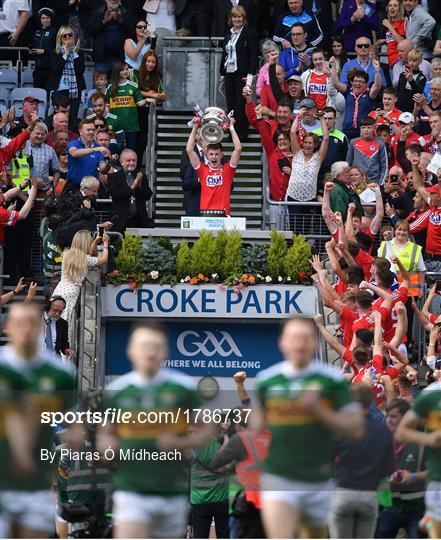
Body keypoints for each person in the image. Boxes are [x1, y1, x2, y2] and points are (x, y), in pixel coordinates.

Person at [252, 315, 365, 538]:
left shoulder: (331, 380)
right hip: (278, 476)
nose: (299, 343)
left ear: (314, 342)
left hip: (318, 478)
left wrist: (320, 410)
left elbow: (356, 428)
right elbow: (256, 424)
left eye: (305, 338)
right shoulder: (267, 380)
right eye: (293, 337)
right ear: (282, 342)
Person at [97, 323, 202, 538]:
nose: (150, 351)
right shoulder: (116, 392)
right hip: (130, 490)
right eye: (144, 345)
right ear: (130, 350)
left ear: (165, 351)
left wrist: (181, 444)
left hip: (172, 491)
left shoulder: (183, 388)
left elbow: (207, 428)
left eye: (156, 346)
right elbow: (106, 434)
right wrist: (108, 450)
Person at [0, 302, 75, 539]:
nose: (26, 330)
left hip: (36, 487)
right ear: (7, 328)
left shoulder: (60, 374)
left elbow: (71, 423)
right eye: (19, 324)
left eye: (32, 324)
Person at [329, 384, 394, 539]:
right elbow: (388, 468)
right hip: (369, 494)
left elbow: (326, 458)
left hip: (343, 491)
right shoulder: (383, 429)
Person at [396, 379, 441, 540]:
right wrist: (429, 439)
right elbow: (401, 432)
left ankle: (427, 520)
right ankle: (429, 520)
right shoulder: (431, 394)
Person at [376, 399, 427, 539]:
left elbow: (434, 472)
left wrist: (413, 477)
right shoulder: (381, 441)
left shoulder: (422, 440)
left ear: (405, 418)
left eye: (394, 416)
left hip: (417, 507)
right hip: (388, 506)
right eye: (387, 416)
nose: (389, 420)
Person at [53, 230, 109, 344]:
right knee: (66, 323)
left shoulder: (66, 254)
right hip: (72, 291)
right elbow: (103, 259)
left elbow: (90, 254)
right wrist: (105, 244)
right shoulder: (85, 258)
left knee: (55, 320)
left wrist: (94, 243)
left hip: (60, 289)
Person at [186, 119, 241, 215]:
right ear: (207, 155)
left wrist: (231, 127)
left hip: (223, 215)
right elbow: (189, 150)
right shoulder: (202, 170)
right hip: (205, 214)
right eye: (211, 154)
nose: (214, 157)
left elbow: (238, 148)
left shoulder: (227, 170)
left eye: (216, 154)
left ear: (221, 155)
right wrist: (195, 126)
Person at [219, 6, 258, 141]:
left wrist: (250, 78)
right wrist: (222, 73)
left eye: (239, 17)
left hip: (242, 73)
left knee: (241, 103)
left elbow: (253, 56)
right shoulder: (228, 33)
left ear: (244, 18)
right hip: (229, 73)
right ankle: (232, 132)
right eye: (234, 17)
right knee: (231, 104)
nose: (237, 19)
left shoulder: (249, 33)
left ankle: (242, 133)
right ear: (231, 18)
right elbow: (224, 53)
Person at [286, 109, 328, 226]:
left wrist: (321, 119)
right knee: (294, 228)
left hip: (309, 199)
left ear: (315, 145)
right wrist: (298, 116)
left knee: (306, 230)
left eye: (310, 143)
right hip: (293, 197)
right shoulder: (297, 153)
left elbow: (325, 138)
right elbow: (292, 133)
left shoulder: (318, 157)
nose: (307, 145)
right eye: (305, 142)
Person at [106, 60, 149, 152]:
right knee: (115, 151)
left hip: (131, 126)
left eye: (127, 69)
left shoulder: (133, 86)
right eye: (122, 70)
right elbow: (107, 107)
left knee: (131, 151)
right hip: (115, 127)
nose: (126, 71)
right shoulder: (110, 88)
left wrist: (146, 100)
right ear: (117, 71)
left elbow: (140, 103)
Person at [107, 148, 153, 232]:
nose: (131, 163)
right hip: (121, 220)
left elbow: (148, 196)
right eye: (128, 160)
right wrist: (131, 187)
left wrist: (140, 185)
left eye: (134, 160)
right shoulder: (113, 177)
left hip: (139, 220)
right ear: (121, 162)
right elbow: (115, 194)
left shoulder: (141, 176)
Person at [332, 66, 382, 141]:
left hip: (362, 131)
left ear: (366, 84)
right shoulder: (347, 91)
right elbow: (336, 84)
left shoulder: (369, 94)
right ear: (352, 82)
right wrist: (333, 66)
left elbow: (377, 86)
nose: (357, 83)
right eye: (355, 81)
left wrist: (377, 71)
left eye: (361, 81)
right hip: (346, 130)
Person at [84, 0, 135, 73]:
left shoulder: (126, 12)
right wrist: (103, 22)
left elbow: (133, 32)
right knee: (101, 84)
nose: (114, 1)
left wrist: (121, 21)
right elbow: (89, 31)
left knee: (121, 83)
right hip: (102, 60)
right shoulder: (98, 12)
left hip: (122, 59)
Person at [48, 26, 86, 122]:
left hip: (75, 90)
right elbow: (56, 70)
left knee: (72, 117)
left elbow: (81, 70)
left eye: (70, 35)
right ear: (60, 38)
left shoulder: (79, 52)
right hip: (60, 89)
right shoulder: (55, 52)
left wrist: (75, 54)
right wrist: (65, 54)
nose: (68, 37)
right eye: (65, 36)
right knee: (60, 118)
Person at [136, 50, 165, 163]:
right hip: (134, 110)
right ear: (144, 62)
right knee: (135, 141)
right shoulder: (135, 73)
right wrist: (151, 94)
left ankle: (139, 166)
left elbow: (162, 94)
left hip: (147, 112)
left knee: (143, 141)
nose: (150, 64)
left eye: (153, 62)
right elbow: (134, 90)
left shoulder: (156, 77)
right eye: (148, 61)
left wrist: (159, 95)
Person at [346, 116, 388, 185]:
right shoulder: (353, 142)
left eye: (369, 127)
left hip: (374, 182)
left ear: (374, 128)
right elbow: (348, 163)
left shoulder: (380, 144)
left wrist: (381, 184)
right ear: (360, 129)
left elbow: (385, 166)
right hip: (356, 183)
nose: (366, 130)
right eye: (363, 127)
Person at [67, 119, 109, 189]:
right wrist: (94, 149)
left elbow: (103, 170)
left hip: (90, 188)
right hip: (73, 186)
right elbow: (74, 153)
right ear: (80, 132)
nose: (91, 132)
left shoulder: (98, 148)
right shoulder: (73, 143)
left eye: (93, 130)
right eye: (88, 130)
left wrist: (109, 163)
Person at [313, 106, 348, 186]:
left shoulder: (342, 137)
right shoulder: (314, 134)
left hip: (335, 177)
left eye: (330, 118)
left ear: (335, 119)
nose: (327, 121)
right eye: (324, 118)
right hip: (316, 175)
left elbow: (345, 158)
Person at [24, 122, 60, 196]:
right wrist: (32, 180)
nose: (40, 136)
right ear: (31, 133)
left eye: (43, 134)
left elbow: (57, 171)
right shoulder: (22, 147)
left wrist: (51, 190)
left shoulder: (50, 150)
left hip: (43, 192)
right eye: (37, 133)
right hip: (23, 190)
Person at [29, 7, 57, 91]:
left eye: (48, 18)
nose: (45, 20)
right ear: (40, 19)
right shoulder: (37, 32)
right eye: (43, 18)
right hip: (38, 69)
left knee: (49, 94)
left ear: (51, 19)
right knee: (37, 94)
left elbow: (58, 50)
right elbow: (34, 46)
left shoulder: (55, 31)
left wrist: (44, 51)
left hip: (50, 69)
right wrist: (31, 50)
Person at [42, 295, 75, 360]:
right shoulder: (35, 319)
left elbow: (64, 342)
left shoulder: (63, 323)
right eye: (55, 310)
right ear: (48, 308)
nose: (57, 314)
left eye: (60, 312)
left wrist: (66, 349)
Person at [396, 48, 427, 113]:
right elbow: (398, 92)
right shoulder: (402, 75)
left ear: (420, 61)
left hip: (412, 110)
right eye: (410, 60)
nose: (412, 63)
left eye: (414, 61)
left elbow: (418, 94)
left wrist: (411, 80)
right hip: (399, 108)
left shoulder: (422, 78)